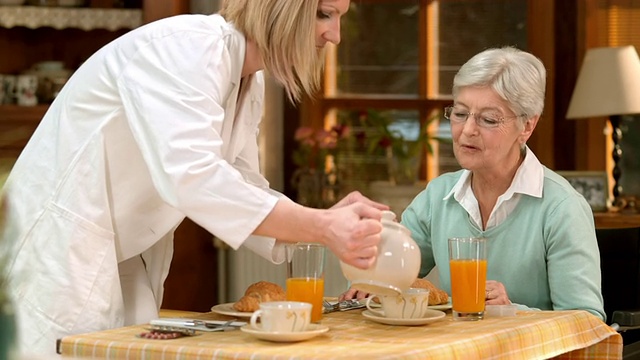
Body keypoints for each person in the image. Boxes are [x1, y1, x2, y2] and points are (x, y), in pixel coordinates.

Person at [0, 0, 387, 355]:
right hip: (57, 251)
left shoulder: (247, 78)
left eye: (339, 18)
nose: (334, 35)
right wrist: (321, 226)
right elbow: (194, 179)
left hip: (118, 253)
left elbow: (239, 183)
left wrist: (322, 217)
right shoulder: (187, 49)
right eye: (324, 13)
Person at [341, 46, 606, 321]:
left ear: (527, 126)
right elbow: (387, 270)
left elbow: (588, 321)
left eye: (488, 119)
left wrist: (510, 309)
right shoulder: (437, 196)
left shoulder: (562, 208)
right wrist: (368, 283)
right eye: (460, 114)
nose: (468, 130)